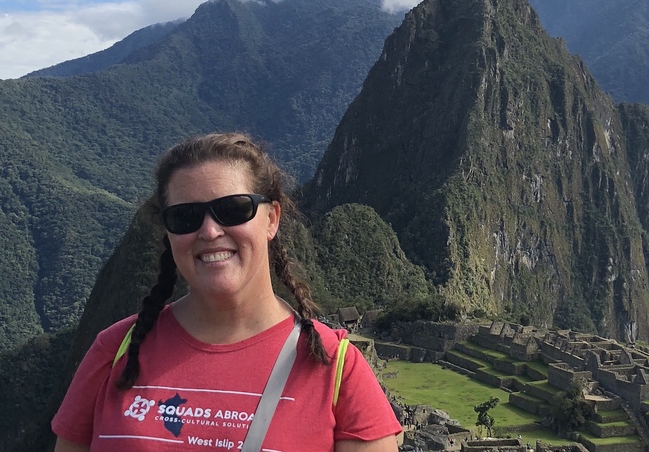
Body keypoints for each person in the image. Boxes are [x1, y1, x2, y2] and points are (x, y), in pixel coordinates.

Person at [52, 132, 401, 452]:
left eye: (233, 209)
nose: (209, 231)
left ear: (271, 219)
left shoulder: (335, 369)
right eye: (186, 217)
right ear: (168, 231)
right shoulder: (114, 351)